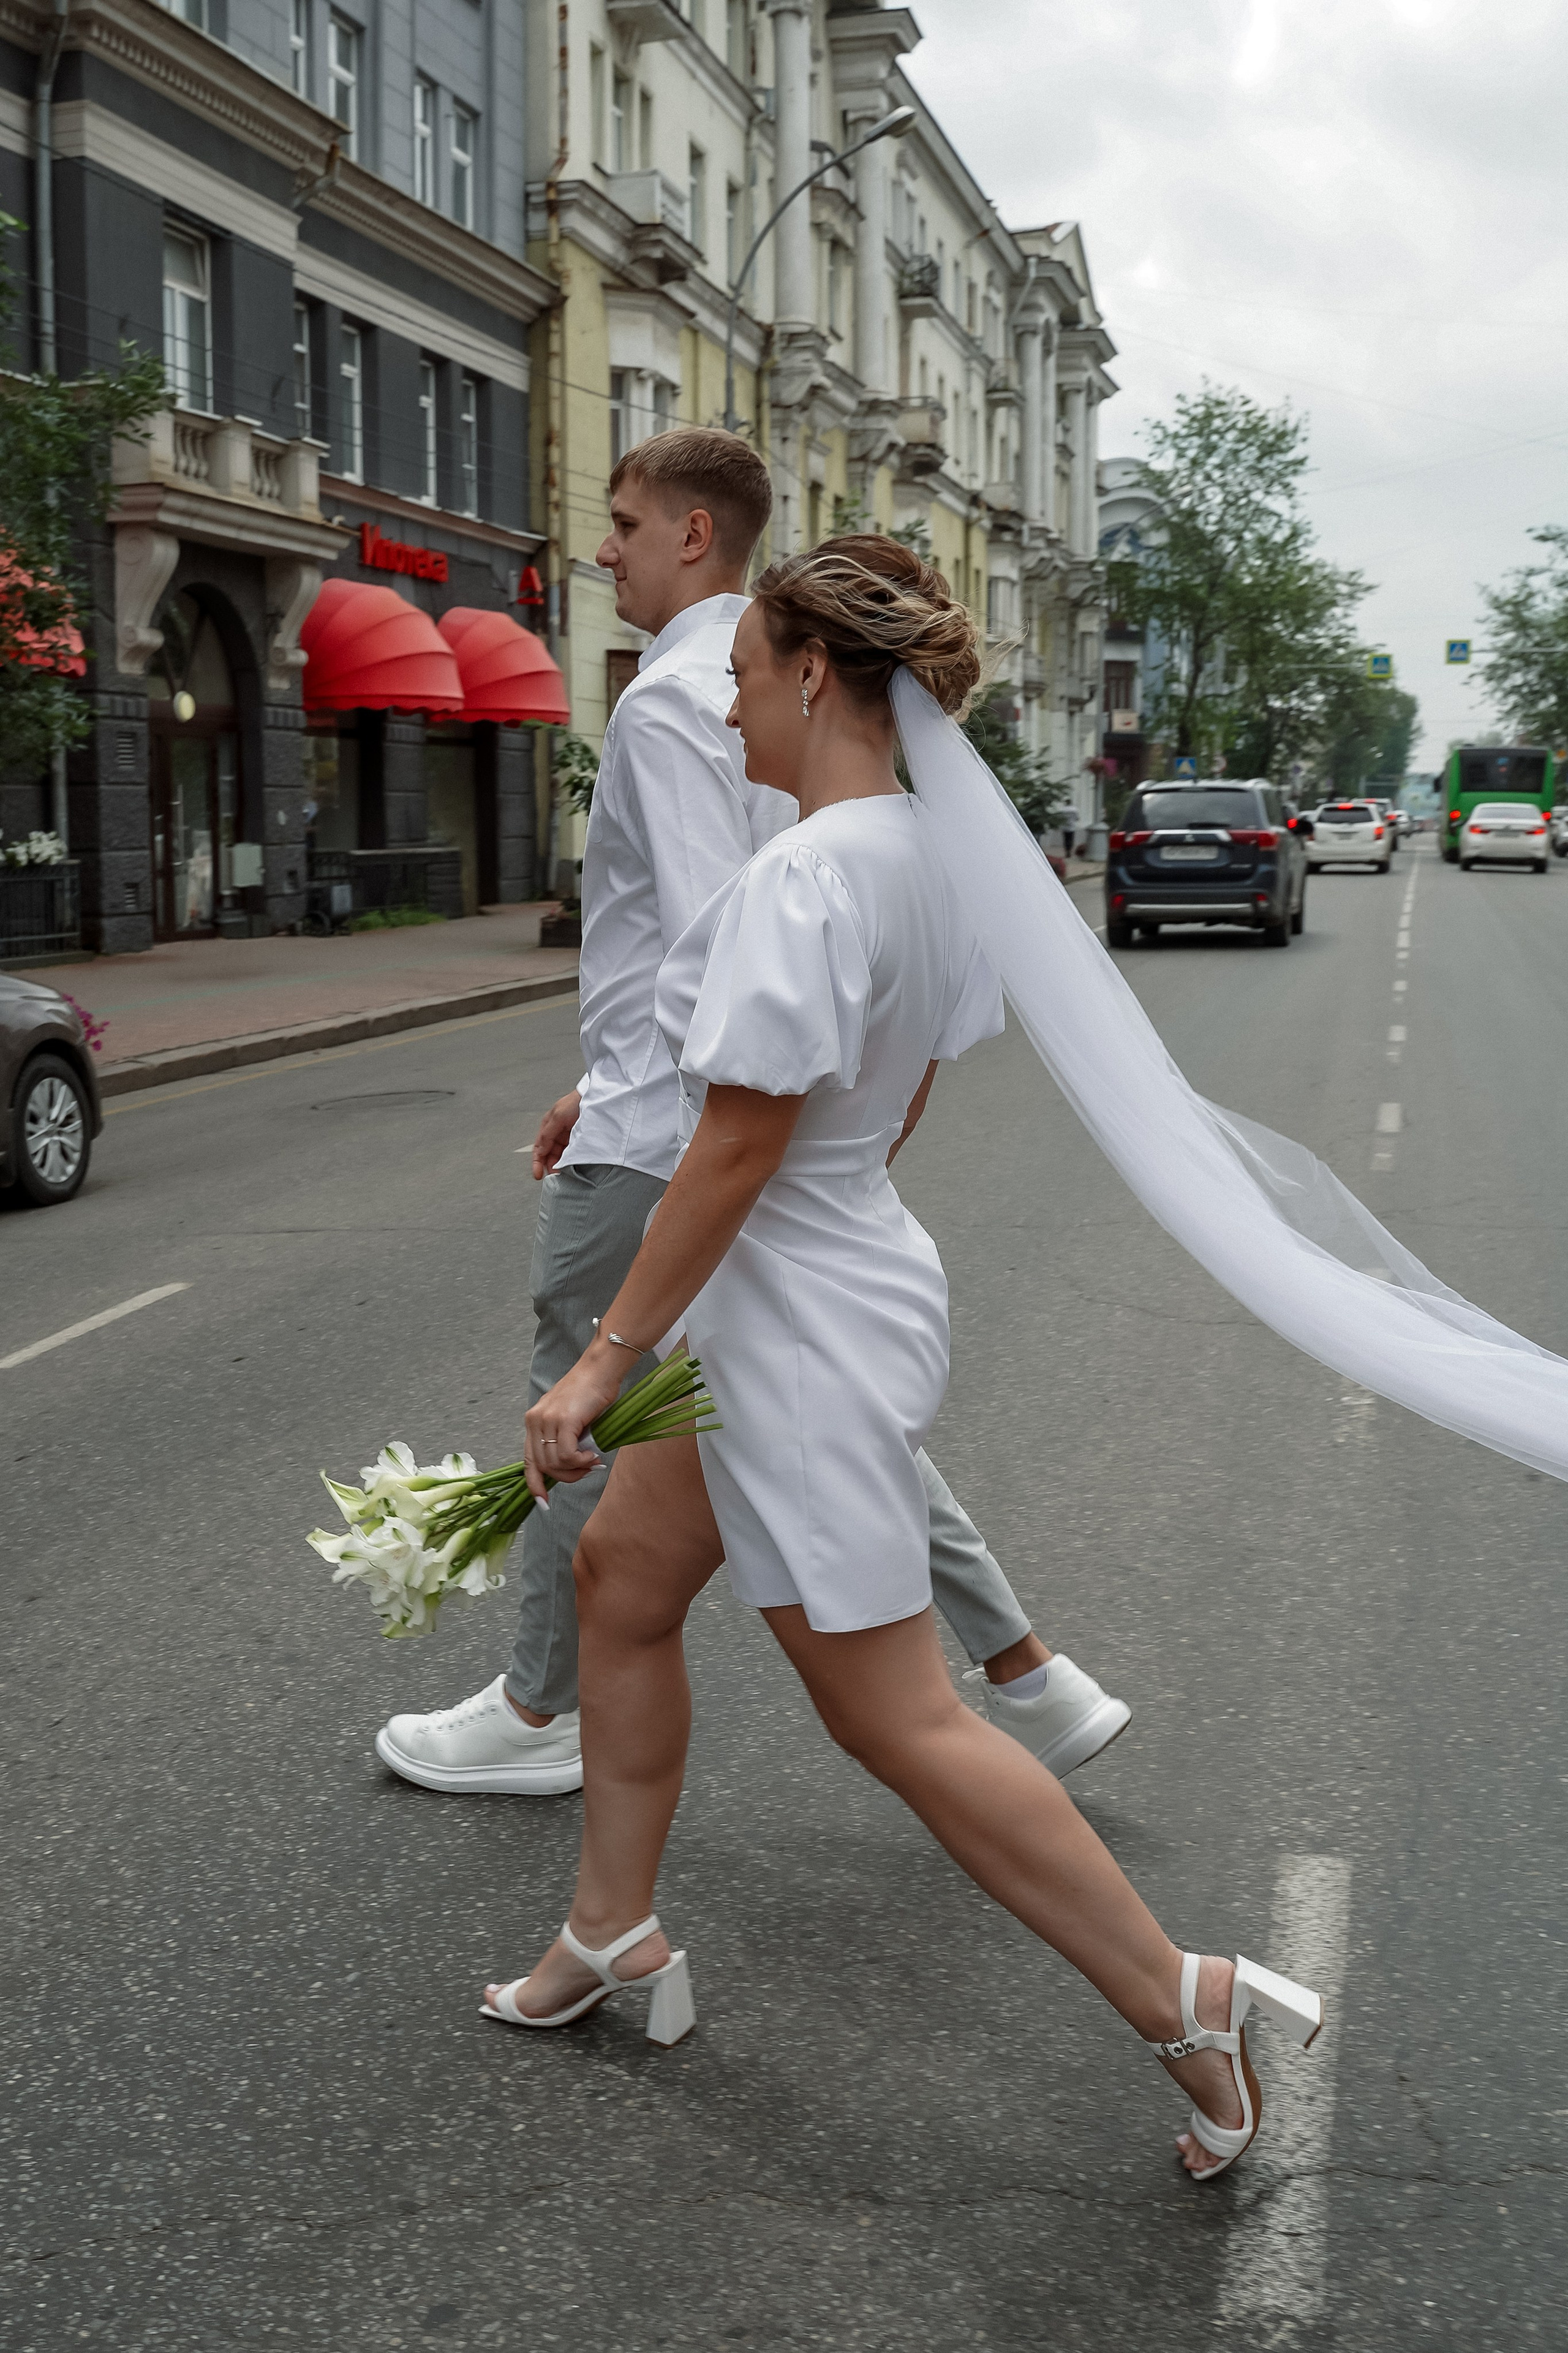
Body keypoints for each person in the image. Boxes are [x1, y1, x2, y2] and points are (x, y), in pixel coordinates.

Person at [480, 540, 1323, 2184]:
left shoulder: (812, 874)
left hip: (784, 1325)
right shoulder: (932, 862)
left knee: (897, 1716)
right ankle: (609, 1932)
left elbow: (734, 1149)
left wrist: (599, 1362)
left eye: (739, 675)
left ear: (810, 674)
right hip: (826, 1272)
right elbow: (890, 1097)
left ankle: (1187, 1996)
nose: (719, 703)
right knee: (627, 1590)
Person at [376, 432, 1128, 1801]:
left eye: (620, 522)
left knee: (617, 1424)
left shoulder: (683, 703)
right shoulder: (860, 781)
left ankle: (539, 1716)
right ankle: (1019, 1671)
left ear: (693, 536)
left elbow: (728, 938)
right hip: (771, 1162)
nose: (598, 547)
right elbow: (859, 1031)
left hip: (679, 1140)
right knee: (730, 1456)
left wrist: (622, 1104)